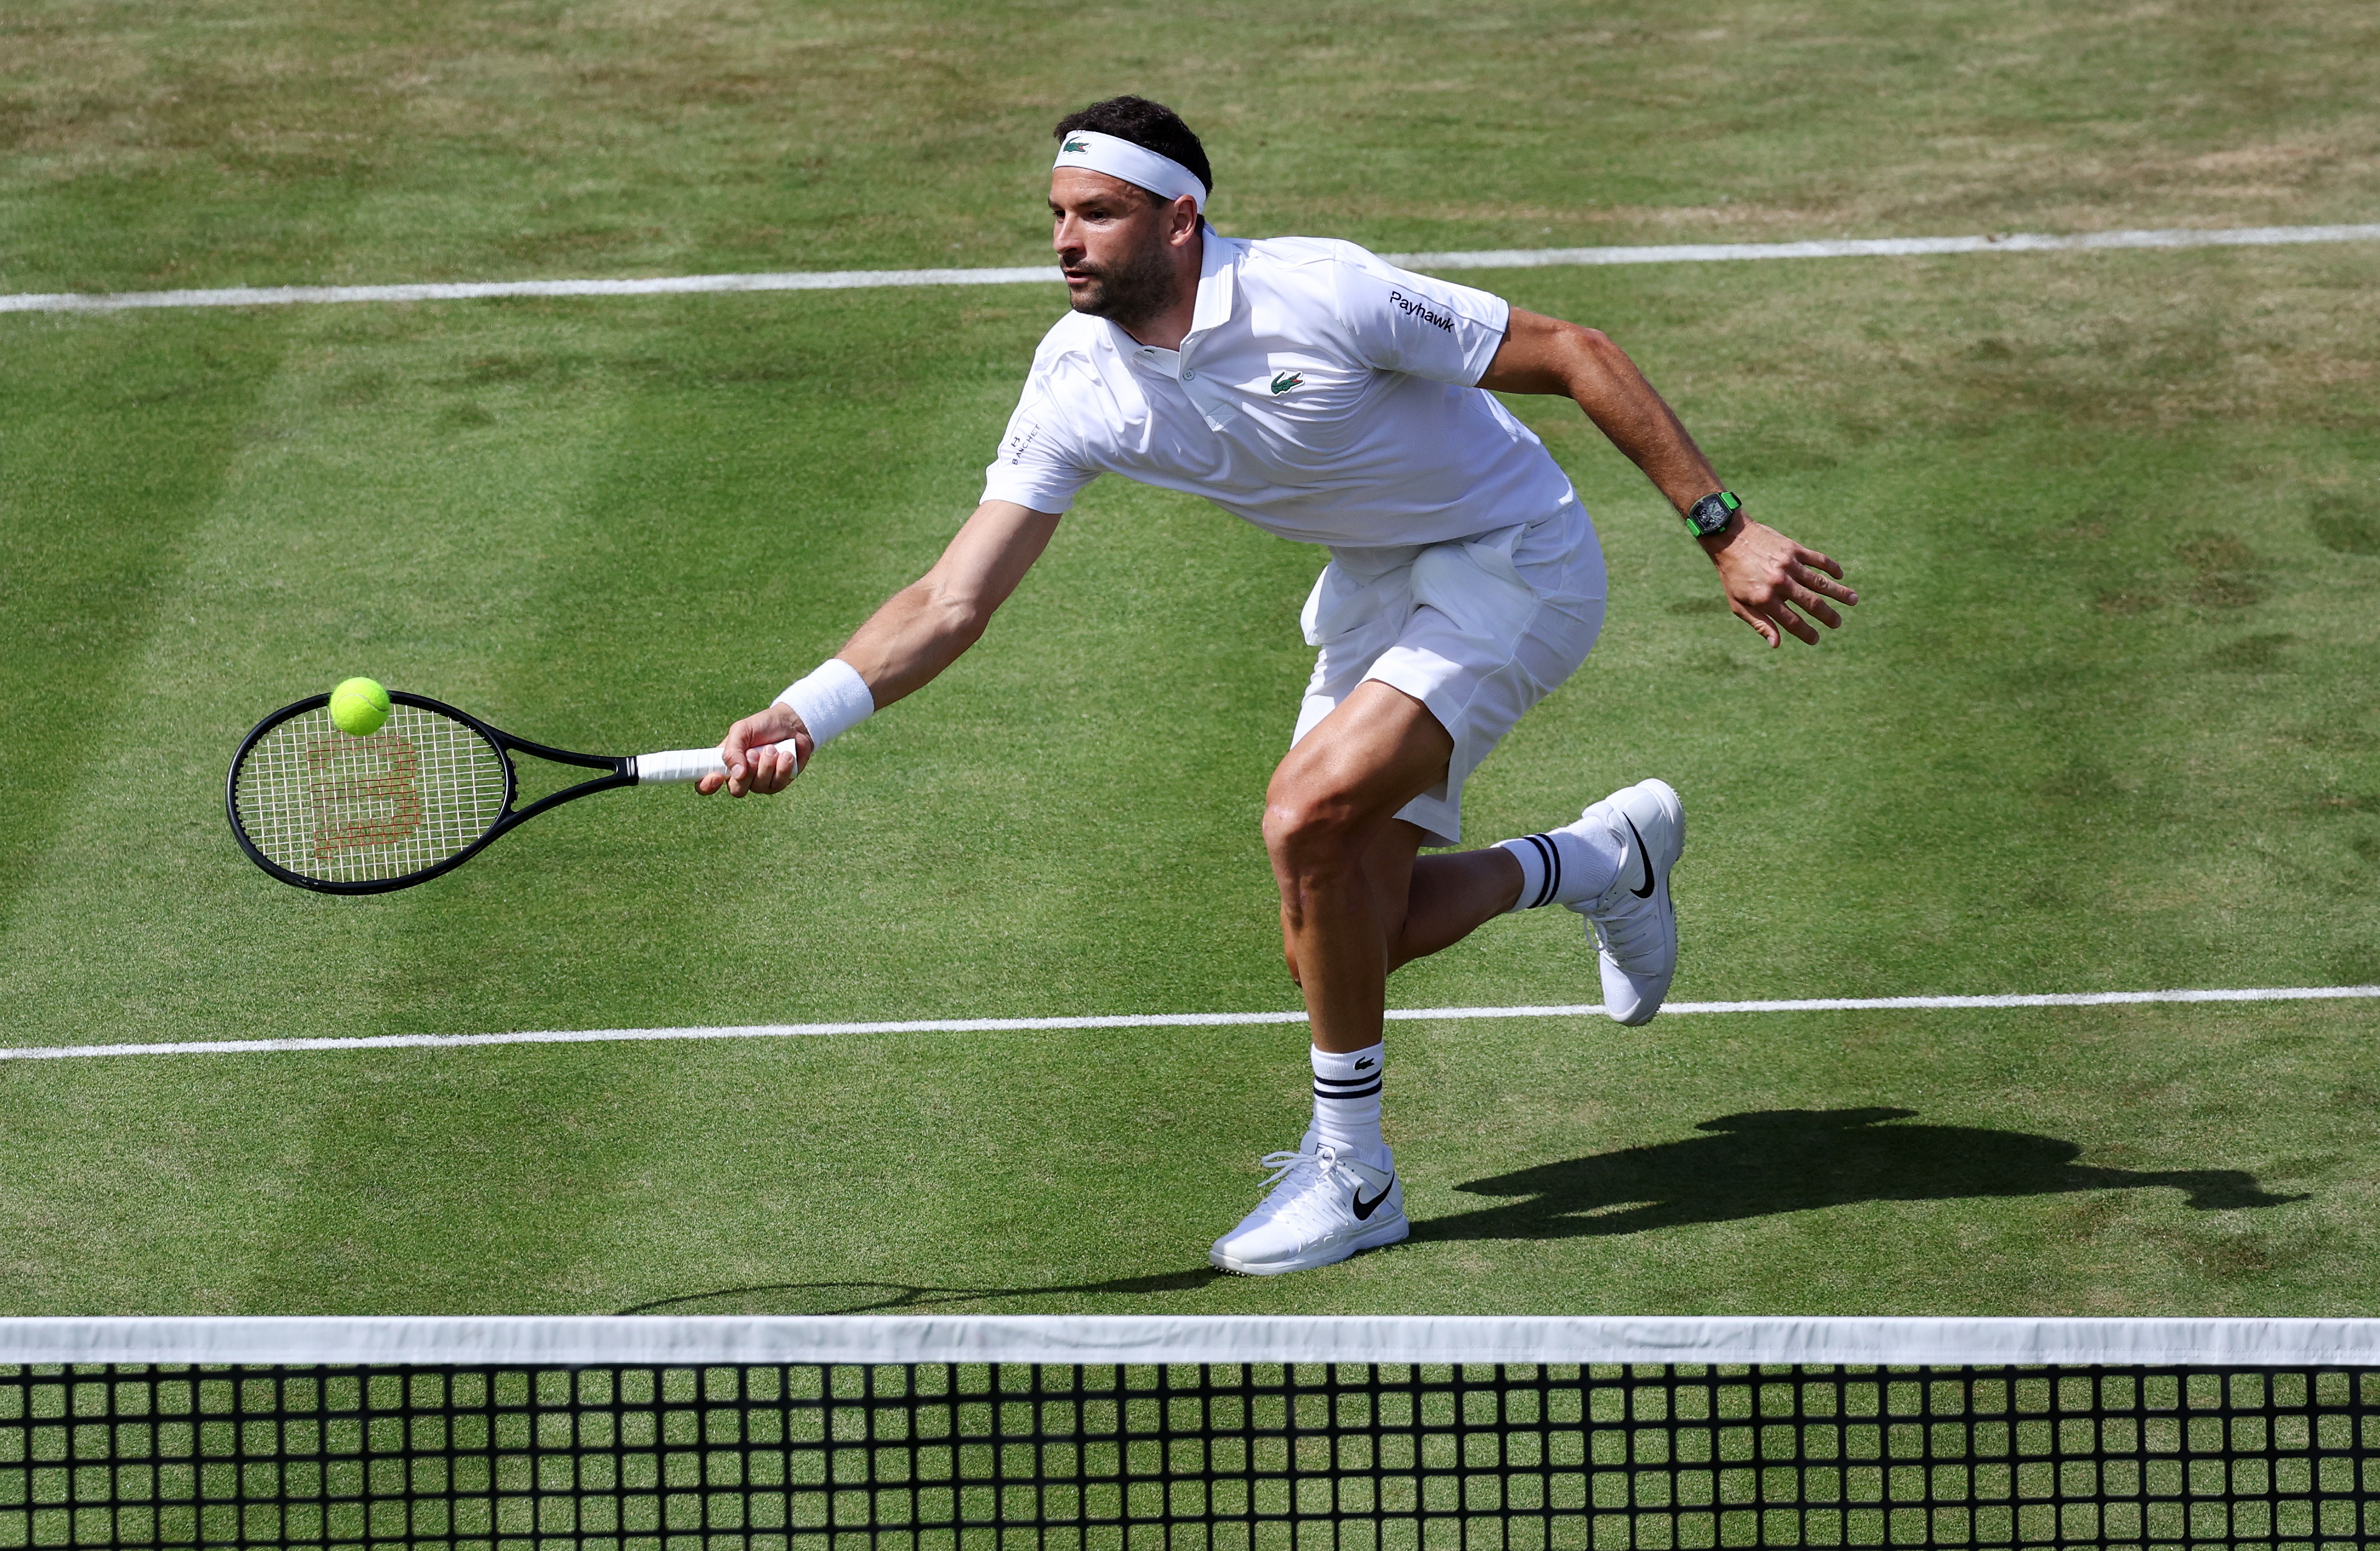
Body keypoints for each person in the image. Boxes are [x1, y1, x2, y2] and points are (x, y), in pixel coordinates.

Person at [699, 96, 1856, 1276]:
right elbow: (954, 599)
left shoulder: (1321, 292)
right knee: (1344, 937)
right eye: (1055, 215)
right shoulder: (1074, 384)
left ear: (1180, 221)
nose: (1064, 239)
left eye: (1097, 214)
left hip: (1516, 561)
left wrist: (1723, 530)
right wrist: (806, 711)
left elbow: (1572, 353)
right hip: (1377, 590)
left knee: (1304, 816)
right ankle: (1605, 860)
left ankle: (1355, 1178)